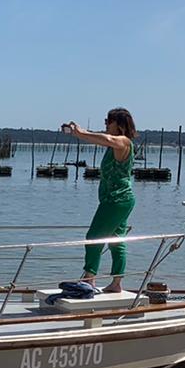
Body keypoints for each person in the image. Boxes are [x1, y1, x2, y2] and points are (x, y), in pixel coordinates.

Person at [63, 107, 137, 293]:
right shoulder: (115, 145)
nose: (105, 124)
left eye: (108, 121)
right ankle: (116, 283)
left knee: (93, 238)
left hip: (116, 200)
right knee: (116, 240)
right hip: (118, 199)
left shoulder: (123, 141)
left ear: (119, 124)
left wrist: (81, 133)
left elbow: (107, 139)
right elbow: (102, 140)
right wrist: (80, 135)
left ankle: (89, 279)